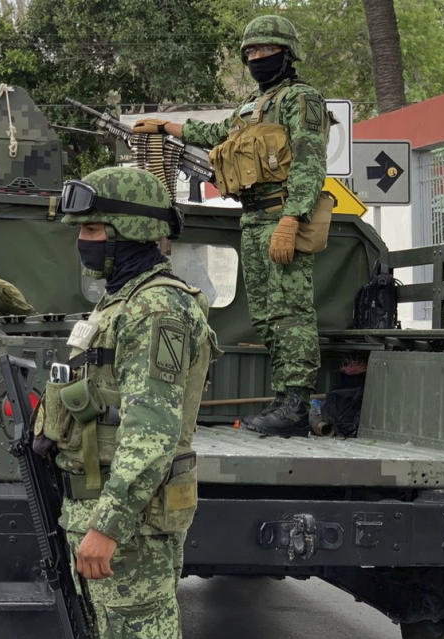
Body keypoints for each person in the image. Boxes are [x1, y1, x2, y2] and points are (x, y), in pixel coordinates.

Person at [23, 166, 215, 639]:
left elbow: (151, 435)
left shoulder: (160, 311)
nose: (84, 241)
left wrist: (105, 526)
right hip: (89, 510)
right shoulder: (118, 306)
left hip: (126, 523)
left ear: (134, 230)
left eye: (95, 228)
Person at [133, 14, 329, 436]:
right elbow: (218, 132)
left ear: (286, 53)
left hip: (281, 215)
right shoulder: (253, 108)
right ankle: (284, 400)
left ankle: (296, 403)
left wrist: (292, 219)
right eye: (251, 52)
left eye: (265, 50)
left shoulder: (301, 99)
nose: (257, 58)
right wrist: (169, 126)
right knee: (266, 314)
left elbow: (311, 163)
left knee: (290, 313)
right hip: (255, 219)